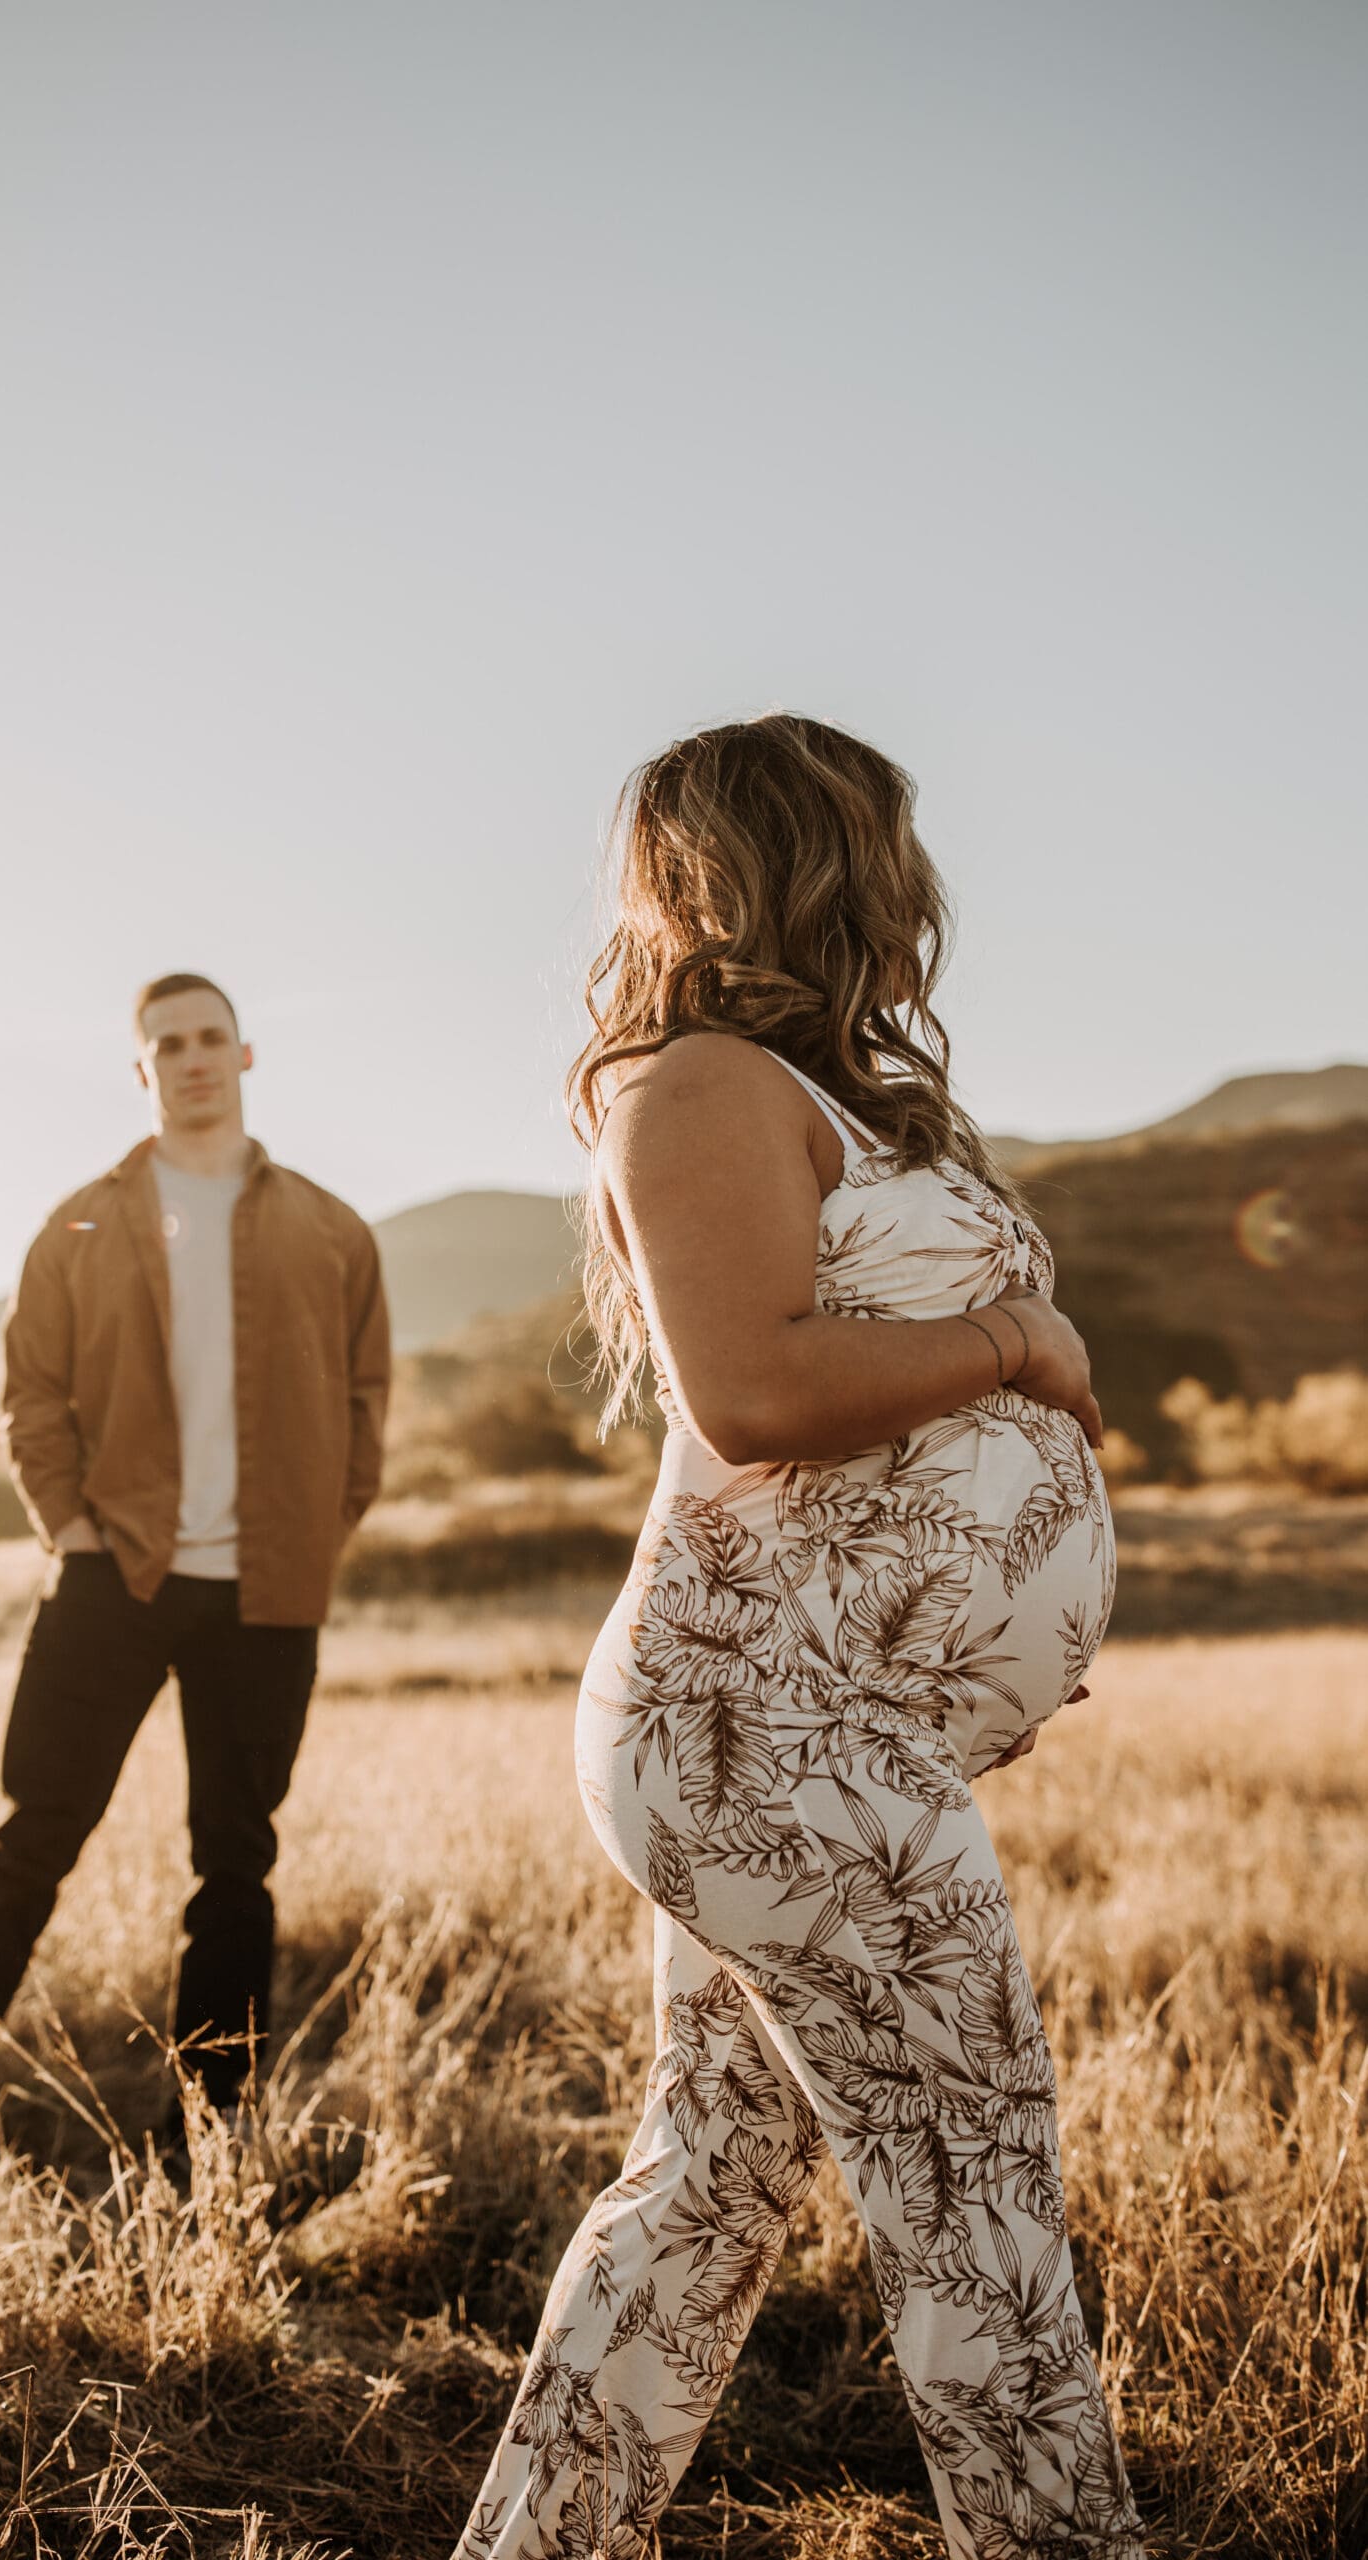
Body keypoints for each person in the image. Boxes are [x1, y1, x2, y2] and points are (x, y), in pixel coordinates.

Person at [454, 720, 1144, 2559]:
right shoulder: (690, 1088)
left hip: (819, 1739)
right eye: (883, 838)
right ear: (815, 859)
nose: (915, 875)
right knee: (971, 2181)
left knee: (712, 2187)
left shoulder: (810, 1091)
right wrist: (1010, 1348)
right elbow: (751, 1387)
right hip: (770, 1731)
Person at [0, 972, 389, 2169]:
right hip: (115, 1579)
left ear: (245, 1055)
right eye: (168, 1044)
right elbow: (30, 1399)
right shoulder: (79, 1226)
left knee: (237, 1861)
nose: (192, 1058)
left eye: (212, 1038)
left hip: (266, 1592)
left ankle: (203, 2130)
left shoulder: (331, 1229)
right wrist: (75, 1531)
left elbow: (366, 1406)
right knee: (32, 1838)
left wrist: (315, 1532)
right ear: (140, 1068)